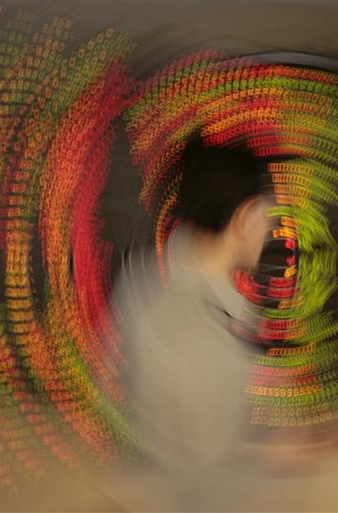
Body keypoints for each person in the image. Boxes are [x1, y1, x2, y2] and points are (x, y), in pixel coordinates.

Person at [108, 137, 282, 511]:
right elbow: (201, 480)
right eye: (267, 216)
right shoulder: (205, 330)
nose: (269, 231)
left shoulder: (137, 283)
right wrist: (278, 455)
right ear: (245, 218)